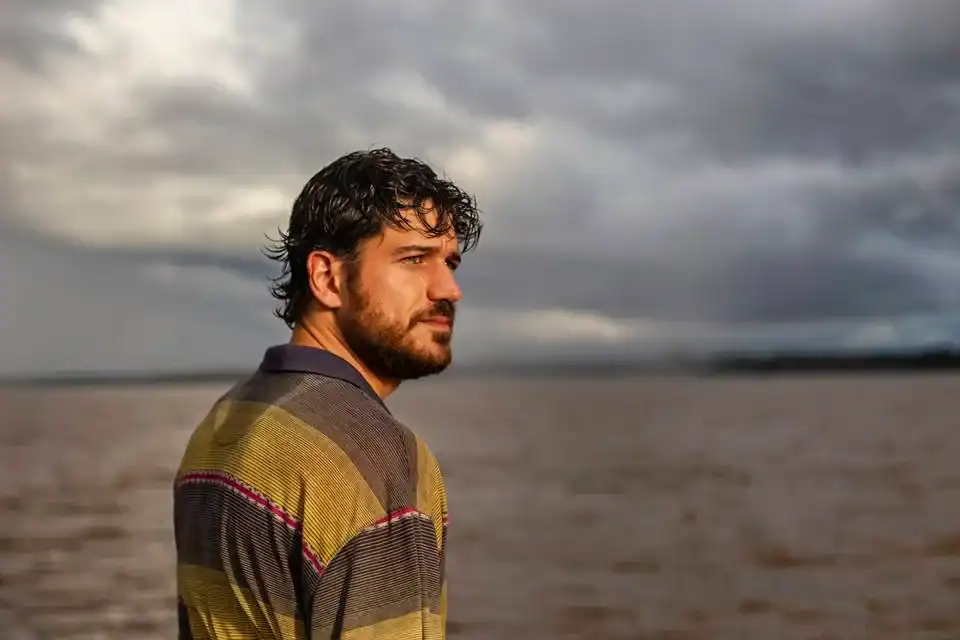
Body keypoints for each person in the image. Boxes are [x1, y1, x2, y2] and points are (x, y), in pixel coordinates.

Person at [172, 148, 483, 639]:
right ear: (327, 277)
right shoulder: (379, 458)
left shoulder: (225, 421)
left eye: (450, 262)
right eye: (414, 259)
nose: (448, 289)